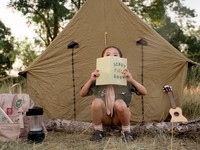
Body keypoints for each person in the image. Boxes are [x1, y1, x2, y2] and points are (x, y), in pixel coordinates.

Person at [80, 46, 147, 142]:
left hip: (119, 118)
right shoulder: (98, 78)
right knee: (96, 102)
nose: (111, 57)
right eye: (107, 55)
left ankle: (126, 132)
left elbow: (144, 92)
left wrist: (131, 80)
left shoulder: (126, 79)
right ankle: (98, 131)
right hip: (104, 117)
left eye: (115, 55)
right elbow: (82, 93)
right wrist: (91, 79)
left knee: (119, 103)